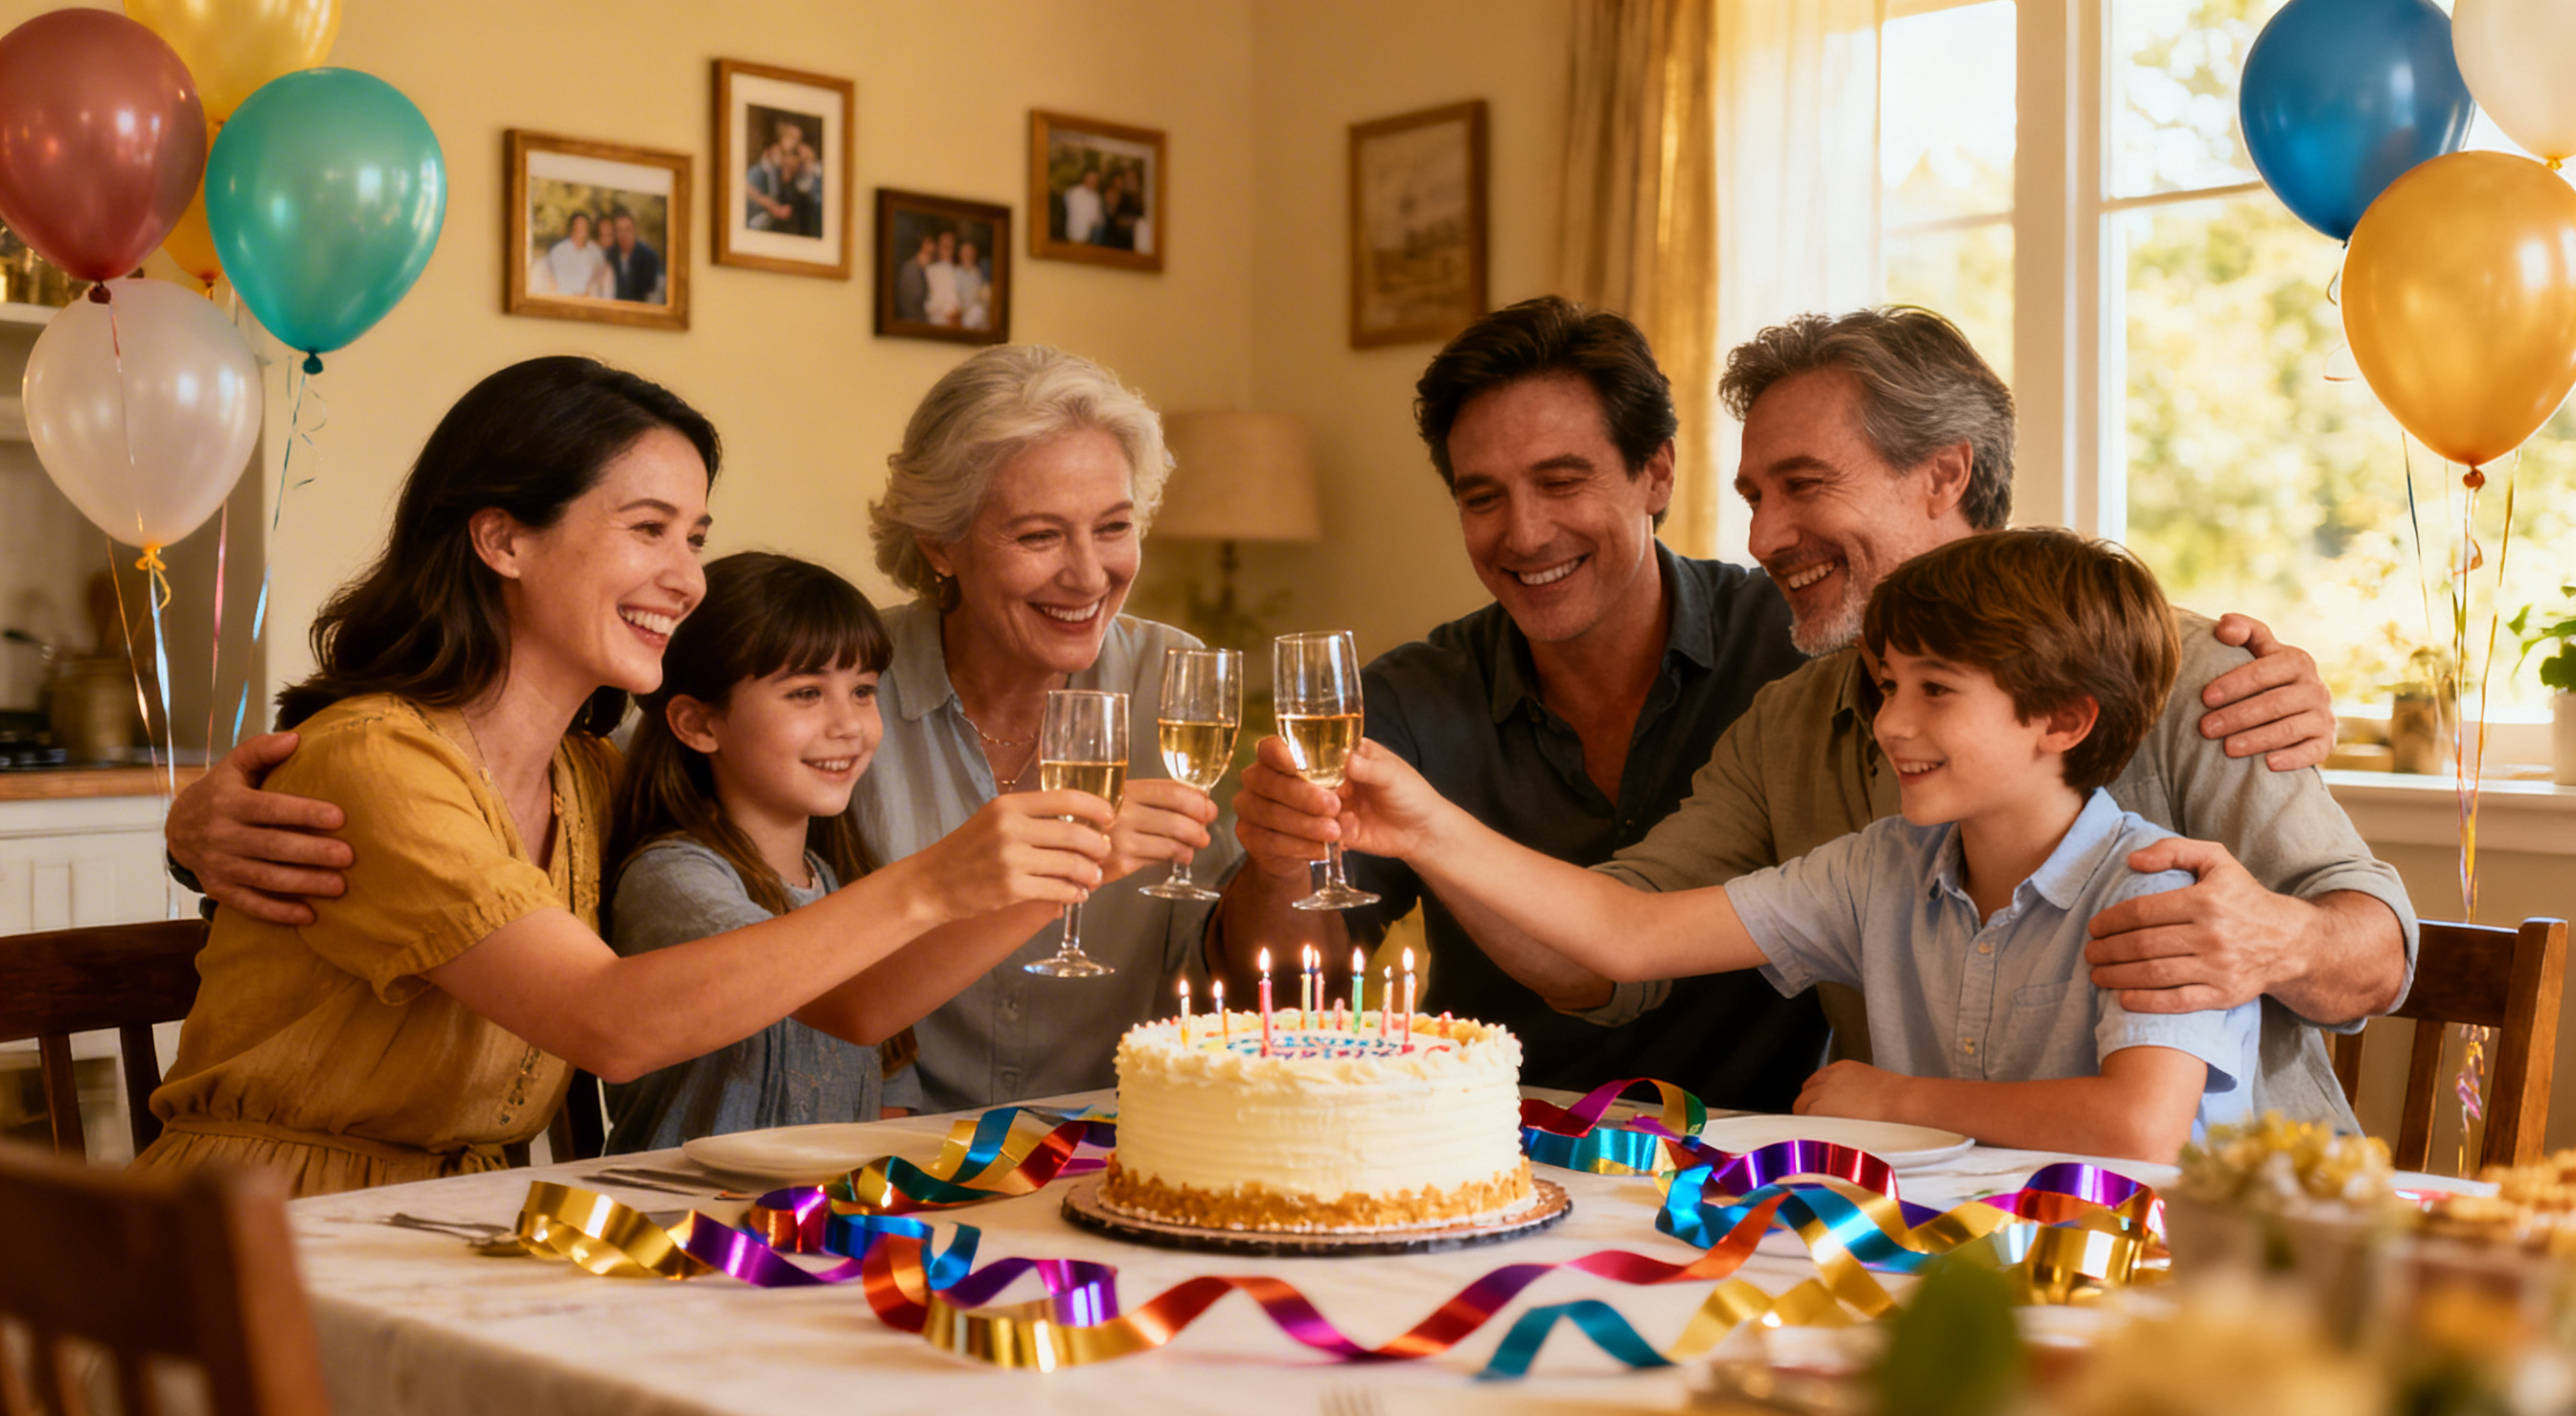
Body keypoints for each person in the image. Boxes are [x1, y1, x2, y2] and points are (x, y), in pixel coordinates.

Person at [1218, 298, 2398, 1119]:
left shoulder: (2196, 675)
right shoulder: (1798, 725)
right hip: (1936, 1231)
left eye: (1803, 487)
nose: (1764, 537)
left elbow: (2379, 952)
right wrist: (1421, 824)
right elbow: (1620, 940)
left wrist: (2282, 939)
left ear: (1944, 474)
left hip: (2234, 1235)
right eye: (1754, 495)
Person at [165, 348, 1234, 1121]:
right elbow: (610, 1024)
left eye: (694, 536)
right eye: (648, 531)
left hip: (468, 1227)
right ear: (502, 540)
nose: (687, 580)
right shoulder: (387, 758)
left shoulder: (588, 773)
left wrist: (1042, 876)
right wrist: (938, 879)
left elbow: (854, 1006)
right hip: (277, 1242)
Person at [1335, 528, 2260, 1164]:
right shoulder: (1879, 866)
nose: (1890, 722)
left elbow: (2139, 1128)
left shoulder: (2157, 889)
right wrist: (1425, 827)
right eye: (1887, 684)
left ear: (2064, 718)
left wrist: (1897, 1100)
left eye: (1935, 691)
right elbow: (1627, 933)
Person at [862, 344, 1242, 1110]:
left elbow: (1216, 964)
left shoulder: (1172, 677)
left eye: (1112, 527)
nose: (1089, 575)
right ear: (941, 541)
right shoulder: (841, 683)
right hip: (873, 1162)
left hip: (1115, 1154)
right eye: (1039, 536)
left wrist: (1284, 856)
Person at [602, 553, 925, 1151]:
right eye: (806, 693)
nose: (849, 724)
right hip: (685, 1230)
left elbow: (885, 1103)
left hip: (823, 1231)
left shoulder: (837, 882)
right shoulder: (672, 880)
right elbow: (849, 1005)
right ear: (699, 724)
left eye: (862, 691)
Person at [543, 212, 608, 299]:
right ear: (572, 228)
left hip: (591, 300)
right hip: (566, 299)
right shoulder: (559, 251)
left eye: (585, 226)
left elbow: (600, 276)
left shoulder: (595, 251)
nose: (582, 229)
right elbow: (558, 281)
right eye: (579, 225)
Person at [607, 209, 663, 305]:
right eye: (619, 230)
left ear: (635, 230)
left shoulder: (649, 257)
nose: (623, 235)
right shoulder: (610, 254)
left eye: (627, 230)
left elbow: (651, 293)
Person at [893, 234, 934, 322]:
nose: (934, 247)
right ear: (924, 245)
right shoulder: (910, 268)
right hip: (912, 320)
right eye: (930, 243)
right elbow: (913, 298)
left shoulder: (928, 269)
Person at [924, 230, 961, 327]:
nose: (948, 250)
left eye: (951, 247)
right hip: (937, 320)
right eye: (945, 246)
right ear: (938, 248)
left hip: (957, 320)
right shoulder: (930, 270)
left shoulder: (958, 271)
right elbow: (933, 302)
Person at [1061, 167, 1105, 245]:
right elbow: (1077, 214)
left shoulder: (1096, 197)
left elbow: (1097, 220)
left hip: (1089, 239)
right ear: (1085, 178)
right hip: (1073, 238)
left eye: (1095, 179)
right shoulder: (1074, 192)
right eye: (1090, 178)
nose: (1092, 181)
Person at [955, 240, 991, 332]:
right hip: (961, 314)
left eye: (970, 252)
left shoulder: (977, 273)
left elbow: (982, 295)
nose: (968, 255)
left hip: (975, 313)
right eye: (965, 252)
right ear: (960, 254)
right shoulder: (956, 272)